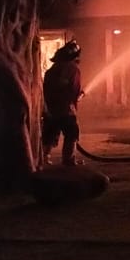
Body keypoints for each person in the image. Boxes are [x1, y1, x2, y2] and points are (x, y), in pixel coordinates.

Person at [41, 40, 84, 168]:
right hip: (65, 109)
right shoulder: (72, 69)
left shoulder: (52, 69)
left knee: (50, 133)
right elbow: (70, 89)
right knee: (71, 133)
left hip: (50, 109)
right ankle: (68, 159)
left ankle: (43, 158)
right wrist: (79, 96)